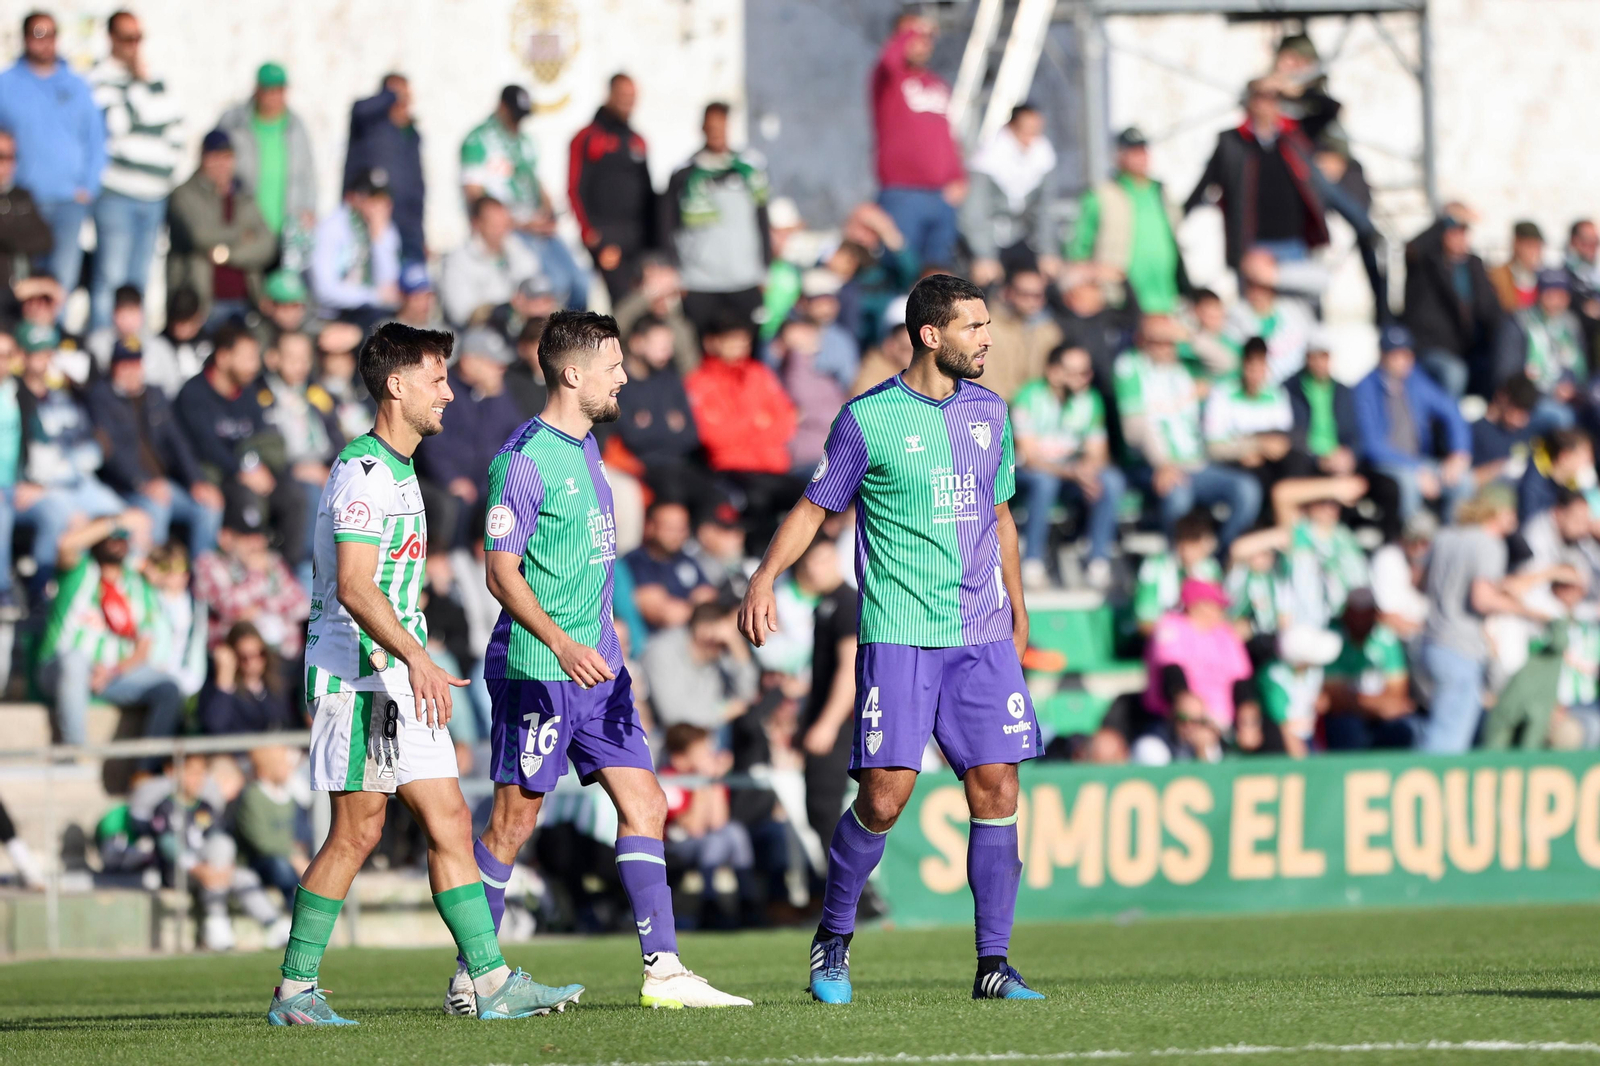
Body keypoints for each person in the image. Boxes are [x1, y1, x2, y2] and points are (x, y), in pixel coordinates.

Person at [741, 274, 1045, 1003]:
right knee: (884, 797)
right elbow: (815, 508)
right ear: (930, 334)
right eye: (973, 326)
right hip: (902, 635)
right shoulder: (867, 419)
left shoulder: (991, 414)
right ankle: (834, 940)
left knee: (998, 785)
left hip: (980, 634)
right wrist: (763, 578)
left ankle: (993, 964)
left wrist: (1019, 606)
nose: (988, 338)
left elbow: (1000, 516)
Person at [270, 321, 583, 1025]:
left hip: (398, 678)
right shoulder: (364, 473)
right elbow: (354, 585)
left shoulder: (407, 470)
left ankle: (491, 980)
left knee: (448, 820)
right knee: (356, 832)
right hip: (357, 680)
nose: (449, 392)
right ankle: (294, 991)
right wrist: (417, 657)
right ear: (396, 385)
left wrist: (414, 659)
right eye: (437, 379)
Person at [456, 309, 749, 1011]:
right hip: (538, 668)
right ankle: (474, 977)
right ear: (571, 373)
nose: (624, 377)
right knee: (512, 823)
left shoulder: (588, 449)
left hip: (601, 675)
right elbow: (501, 573)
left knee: (646, 801)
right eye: (613, 366)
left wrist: (611, 652)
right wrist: (562, 641)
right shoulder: (522, 461)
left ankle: (665, 970)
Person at [1417, 484, 1546, 755]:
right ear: (1495, 511)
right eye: (1509, 510)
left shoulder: (1445, 536)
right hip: (1460, 646)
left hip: (1430, 644)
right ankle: (1427, 792)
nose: (1514, 517)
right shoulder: (1489, 544)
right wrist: (1529, 612)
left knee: (1438, 726)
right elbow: (1482, 600)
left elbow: (1418, 582)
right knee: (1448, 738)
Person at [1116, 314, 1261, 548]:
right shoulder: (1130, 367)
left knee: (1247, 489)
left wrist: (1190, 336)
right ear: (1142, 340)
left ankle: (1221, 558)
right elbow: (1135, 428)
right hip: (1152, 464)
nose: (1164, 347)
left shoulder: (1185, 367)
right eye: (1156, 340)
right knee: (1177, 495)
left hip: (1197, 464)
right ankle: (1178, 562)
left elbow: (1229, 364)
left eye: (1168, 341)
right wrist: (1162, 463)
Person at [36, 521, 183, 746]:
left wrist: (113, 670)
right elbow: (66, 545)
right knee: (75, 662)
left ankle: (144, 772)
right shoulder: (79, 571)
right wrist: (114, 521)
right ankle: (75, 754)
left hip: (113, 674)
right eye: (110, 536)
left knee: (169, 689)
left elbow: (144, 646)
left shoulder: (137, 585)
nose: (116, 541)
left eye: (122, 536)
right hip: (60, 668)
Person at [176, 324, 309, 568]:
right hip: (214, 477)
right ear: (224, 357)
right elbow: (206, 447)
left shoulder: (247, 392)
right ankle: (236, 581)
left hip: (251, 470)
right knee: (245, 500)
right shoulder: (193, 394)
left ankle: (287, 576)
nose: (254, 365)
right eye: (247, 357)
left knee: (295, 496)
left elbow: (262, 438)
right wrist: (244, 470)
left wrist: (258, 468)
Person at [87, 10, 182, 333]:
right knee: (111, 277)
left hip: (154, 194)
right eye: (127, 38)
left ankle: (133, 351)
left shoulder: (153, 77)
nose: (133, 45)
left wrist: (167, 167)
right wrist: (139, 85)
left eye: (138, 38)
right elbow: (117, 124)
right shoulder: (100, 77)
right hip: (117, 193)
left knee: (139, 280)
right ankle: (101, 347)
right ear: (111, 38)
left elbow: (173, 123)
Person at [14, 329, 134, 585]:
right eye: (38, 354)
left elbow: (94, 450)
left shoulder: (64, 397)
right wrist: (53, 476)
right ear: (23, 357)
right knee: (63, 518)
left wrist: (70, 465)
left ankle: (118, 591)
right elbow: (34, 460)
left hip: (76, 481)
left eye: (49, 352)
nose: (45, 359)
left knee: (126, 519)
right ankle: (44, 592)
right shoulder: (16, 397)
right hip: (40, 485)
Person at [0, 11, 104, 302]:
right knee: (22, 278)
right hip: (21, 200)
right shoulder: (7, 83)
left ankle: (54, 342)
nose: (46, 42)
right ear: (25, 38)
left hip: (68, 200)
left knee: (63, 279)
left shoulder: (75, 85)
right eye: (39, 34)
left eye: (52, 34)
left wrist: (89, 185)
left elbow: (96, 138)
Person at [85, 339, 224, 557]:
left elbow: (177, 442)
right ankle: (151, 580)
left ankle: (203, 578)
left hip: (164, 484)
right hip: (125, 487)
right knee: (156, 509)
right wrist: (141, 482)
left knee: (208, 507)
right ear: (113, 367)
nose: (132, 371)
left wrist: (197, 480)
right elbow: (110, 451)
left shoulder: (154, 395)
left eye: (136, 364)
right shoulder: (101, 397)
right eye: (125, 365)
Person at [461, 84, 587, 310]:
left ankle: (577, 342)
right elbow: (475, 197)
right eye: (515, 114)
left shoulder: (525, 141)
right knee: (554, 284)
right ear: (502, 107)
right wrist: (520, 223)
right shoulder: (477, 141)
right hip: (513, 230)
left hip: (537, 225)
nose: (519, 121)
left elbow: (536, 182)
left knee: (581, 283)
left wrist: (549, 212)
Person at [1183, 79, 1327, 273]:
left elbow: (1330, 109)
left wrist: (1294, 92)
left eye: (1272, 98)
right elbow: (1205, 183)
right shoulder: (1232, 142)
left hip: (1293, 243)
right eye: (1260, 97)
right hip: (1253, 247)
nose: (1266, 104)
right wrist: (1179, 216)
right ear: (1249, 102)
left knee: (1298, 302)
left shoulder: (1293, 136)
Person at [1012, 345, 1123, 590]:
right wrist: (1074, 472)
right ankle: (1033, 560)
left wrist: (1087, 471)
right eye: (1075, 372)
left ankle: (1097, 560)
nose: (1084, 379)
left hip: (1071, 474)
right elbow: (1029, 458)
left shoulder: (1091, 400)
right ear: (1053, 372)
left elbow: (1099, 454)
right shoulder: (1027, 397)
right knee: (1044, 482)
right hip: (1029, 476)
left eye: (1086, 372)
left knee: (1111, 480)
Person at [683, 315, 800, 549]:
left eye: (743, 342)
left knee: (811, 498)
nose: (739, 347)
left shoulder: (759, 373)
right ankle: (756, 562)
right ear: (711, 342)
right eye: (731, 341)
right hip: (730, 468)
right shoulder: (698, 382)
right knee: (759, 500)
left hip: (773, 465)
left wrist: (742, 426)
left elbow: (787, 422)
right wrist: (758, 422)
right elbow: (713, 437)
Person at [663, 102, 770, 339]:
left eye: (721, 126)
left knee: (747, 349)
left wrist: (764, 269)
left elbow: (762, 221)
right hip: (700, 281)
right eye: (711, 127)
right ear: (702, 128)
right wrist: (676, 271)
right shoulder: (684, 174)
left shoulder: (750, 171)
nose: (716, 133)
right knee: (702, 349)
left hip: (745, 278)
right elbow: (667, 225)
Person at [414, 328, 527, 550]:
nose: (500, 369)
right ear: (468, 361)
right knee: (457, 504)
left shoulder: (497, 393)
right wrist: (451, 478)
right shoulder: (443, 392)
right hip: (448, 487)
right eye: (492, 363)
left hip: (487, 486)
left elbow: (518, 438)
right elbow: (432, 444)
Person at [1353, 324, 1472, 525]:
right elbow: (1372, 446)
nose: (1403, 361)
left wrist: (1459, 452)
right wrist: (1416, 468)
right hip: (1386, 465)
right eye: (1396, 355)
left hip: (1419, 462)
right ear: (1383, 355)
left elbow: (1451, 411)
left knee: (1464, 481)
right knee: (1409, 485)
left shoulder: (1415, 381)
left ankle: (1451, 541)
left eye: (1407, 354)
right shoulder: (1365, 388)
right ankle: (1411, 544)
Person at [870, 14, 964, 268]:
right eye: (913, 36)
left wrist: (958, 176)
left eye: (926, 37)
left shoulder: (937, 84)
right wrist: (910, 30)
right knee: (901, 269)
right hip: (902, 191)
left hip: (941, 195)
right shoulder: (888, 78)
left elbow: (947, 136)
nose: (920, 42)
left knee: (938, 275)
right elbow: (889, 59)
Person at [1135, 578, 1255, 765]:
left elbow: (1241, 680)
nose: (1221, 611)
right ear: (1197, 605)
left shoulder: (1225, 634)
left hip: (1221, 723)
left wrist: (1248, 722)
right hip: (1175, 719)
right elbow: (1172, 675)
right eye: (1216, 605)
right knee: (1151, 752)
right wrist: (1196, 719)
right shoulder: (1171, 626)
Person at [1068, 127, 1185, 314]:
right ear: (1119, 156)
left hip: (1164, 296)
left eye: (1142, 150)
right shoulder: (1101, 195)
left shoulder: (1161, 193)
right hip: (1119, 299)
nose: (1140, 157)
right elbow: (1077, 251)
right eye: (1133, 152)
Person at [165, 129, 276, 326]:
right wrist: (243, 234)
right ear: (203, 158)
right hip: (201, 303)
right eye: (215, 157)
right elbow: (200, 235)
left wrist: (226, 255)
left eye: (227, 157)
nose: (221, 165)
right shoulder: (184, 195)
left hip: (246, 301)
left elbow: (267, 244)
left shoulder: (244, 197)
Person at [217, 62, 318, 269]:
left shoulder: (296, 127)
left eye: (279, 90)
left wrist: (309, 209)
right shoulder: (235, 122)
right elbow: (217, 165)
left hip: (287, 228)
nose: (274, 97)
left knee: (283, 290)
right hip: (246, 226)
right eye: (268, 90)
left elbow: (308, 174)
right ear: (257, 90)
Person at [568, 74, 656, 300]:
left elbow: (648, 193)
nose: (628, 102)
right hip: (606, 237)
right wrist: (590, 234)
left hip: (638, 240)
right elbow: (574, 189)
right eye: (623, 95)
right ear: (610, 95)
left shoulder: (637, 140)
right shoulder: (588, 138)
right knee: (623, 300)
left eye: (632, 97)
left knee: (645, 300)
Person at [1401, 209, 1501, 399]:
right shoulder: (1427, 264)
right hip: (1430, 347)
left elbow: (1488, 307)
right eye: (1453, 233)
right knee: (1454, 373)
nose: (1459, 239)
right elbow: (1411, 248)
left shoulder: (1473, 265)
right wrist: (1445, 217)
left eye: (1463, 233)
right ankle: (1450, 426)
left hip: (1467, 348)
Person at [799, 543, 858, 852]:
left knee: (826, 810)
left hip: (839, 725)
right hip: (824, 718)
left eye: (820, 560)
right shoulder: (825, 603)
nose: (812, 569)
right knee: (818, 811)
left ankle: (857, 897)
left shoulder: (846, 602)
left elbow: (850, 668)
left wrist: (828, 723)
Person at [192, 502, 309, 657]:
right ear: (225, 538)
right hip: (236, 657)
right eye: (247, 537)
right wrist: (255, 574)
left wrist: (261, 607)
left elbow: (302, 606)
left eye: (259, 536)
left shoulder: (272, 561)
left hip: (281, 657)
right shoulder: (208, 563)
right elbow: (230, 608)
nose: (256, 544)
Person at [961, 104, 1058, 287]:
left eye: (1036, 130)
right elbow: (974, 212)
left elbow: (1045, 210)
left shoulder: (1043, 158)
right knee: (984, 284)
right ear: (1011, 127)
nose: (1030, 137)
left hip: (1021, 239)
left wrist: (1048, 251)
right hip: (986, 241)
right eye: (1026, 130)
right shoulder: (987, 159)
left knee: (1039, 283)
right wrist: (983, 255)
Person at [1321, 588, 1419, 750]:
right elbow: (1334, 697)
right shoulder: (1332, 638)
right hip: (1345, 717)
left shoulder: (1386, 638)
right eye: (1356, 613)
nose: (1361, 620)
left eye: (1366, 614)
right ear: (1347, 613)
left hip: (1378, 717)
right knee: (1349, 729)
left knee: (1407, 729)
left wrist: (1359, 702)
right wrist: (1377, 706)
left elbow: (1398, 692)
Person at [343, 74, 424, 264]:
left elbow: (418, 187)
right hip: (369, 222)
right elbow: (360, 109)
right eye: (396, 93)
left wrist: (421, 236)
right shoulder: (369, 126)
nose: (402, 99)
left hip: (408, 226)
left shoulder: (411, 134)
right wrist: (391, 95)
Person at [1494, 269, 1586, 434]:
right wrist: (1550, 391)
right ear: (1539, 294)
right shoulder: (1519, 322)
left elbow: (1581, 368)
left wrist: (1574, 390)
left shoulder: (1571, 324)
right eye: (1550, 294)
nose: (1556, 301)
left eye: (1561, 295)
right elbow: (1507, 373)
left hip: (1572, 397)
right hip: (1530, 400)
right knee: (1562, 417)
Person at [311, 167, 401, 328]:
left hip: (369, 315)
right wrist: (373, 296)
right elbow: (324, 290)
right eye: (371, 198)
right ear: (352, 198)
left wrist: (378, 239)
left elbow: (389, 288)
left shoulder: (385, 229)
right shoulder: (331, 228)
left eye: (382, 198)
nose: (378, 205)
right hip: (331, 316)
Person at [439, 196, 541, 328]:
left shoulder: (515, 247)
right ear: (477, 224)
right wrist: (508, 309)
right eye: (494, 225)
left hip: (517, 328)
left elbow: (534, 277)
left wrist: (535, 302)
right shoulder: (457, 261)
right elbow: (461, 313)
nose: (501, 231)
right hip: (479, 333)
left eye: (505, 225)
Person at [623, 500, 718, 631]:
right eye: (670, 528)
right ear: (650, 527)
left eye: (682, 528)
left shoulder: (686, 559)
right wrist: (697, 608)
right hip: (656, 641)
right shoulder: (636, 561)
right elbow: (664, 614)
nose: (677, 535)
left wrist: (687, 609)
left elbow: (710, 601)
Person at [1224, 248, 1314, 384]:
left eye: (1261, 283)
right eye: (1251, 283)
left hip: (1297, 390)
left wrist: (1276, 275)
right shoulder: (1235, 316)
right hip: (1261, 396)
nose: (1257, 290)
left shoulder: (1294, 310)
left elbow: (1327, 281)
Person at [197, 621, 298, 735]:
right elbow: (215, 726)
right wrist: (224, 684)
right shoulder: (220, 685)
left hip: (275, 748)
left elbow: (283, 721)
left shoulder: (277, 683)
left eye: (259, 654)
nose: (252, 662)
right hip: (238, 750)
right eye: (243, 657)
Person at [1133, 508, 1222, 635]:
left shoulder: (1211, 568)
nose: (1188, 551)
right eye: (1185, 541)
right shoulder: (1153, 566)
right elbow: (1144, 620)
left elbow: (1215, 615)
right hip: (1161, 637)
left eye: (1195, 542)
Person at [980, 268, 1062, 403]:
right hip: (994, 407)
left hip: (1036, 412)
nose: (1031, 301)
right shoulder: (988, 327)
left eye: (1037, 295)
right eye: (1024, 294)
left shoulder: (1050, 332)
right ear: (1008, 293)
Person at [0, 128, 52, 331]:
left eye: (13, 157)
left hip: (25, 294)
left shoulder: (22, 196)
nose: (8, 164)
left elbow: (45, 239)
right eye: (2, 156)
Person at [1489, 220, 1546, 312]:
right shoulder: (1498, 275)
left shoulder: (1543, 277)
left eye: (1538, 247)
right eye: (1529, 246)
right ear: (1516, 244)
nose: (1534, 253)